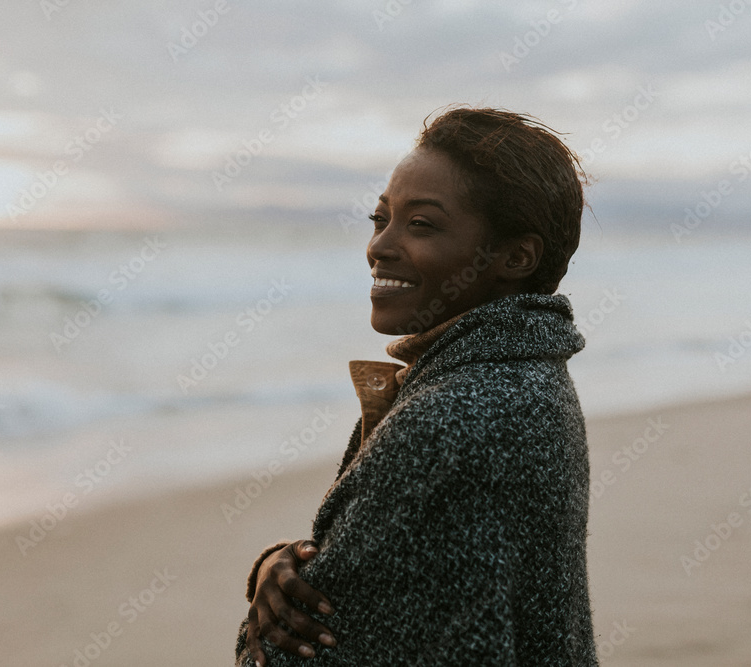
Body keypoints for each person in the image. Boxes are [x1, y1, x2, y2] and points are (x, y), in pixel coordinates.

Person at [234, 106, 598, 665]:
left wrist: (265, 614)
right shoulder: (528, 377)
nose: (379, 246)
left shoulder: (456, 415)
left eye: (421, 224)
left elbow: (303, 650)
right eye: (381, 219)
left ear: (516, 257)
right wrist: (281, 563)